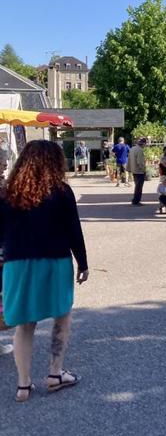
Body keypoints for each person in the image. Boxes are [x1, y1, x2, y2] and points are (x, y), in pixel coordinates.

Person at [0, 141, 88, 402]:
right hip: (55, 261)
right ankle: (54, 374)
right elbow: (74, 230)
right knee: (62, 317)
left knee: (24, 325)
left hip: (17, 264)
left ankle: (23, 385)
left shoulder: (7, 193)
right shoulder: (61, 191)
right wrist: (83, 263)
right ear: (55, 162)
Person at [128, 138, 147, 206]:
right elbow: (140, 162)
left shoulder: (132, 149)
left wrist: (129, 168)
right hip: (139, 171)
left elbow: (129, 159)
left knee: (137, 186)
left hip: (134, 170)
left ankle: (135, 200)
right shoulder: (140, 150)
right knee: (139, 187)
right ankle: (136, 201)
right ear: (143, 143)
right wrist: (144, 170)